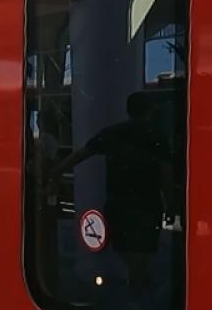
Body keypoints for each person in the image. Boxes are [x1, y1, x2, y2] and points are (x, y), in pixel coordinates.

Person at [48, 92, 176, 290]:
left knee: (126, 249)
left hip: (120, 201)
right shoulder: (157, 137)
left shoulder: (113, 133)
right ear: (150, 110)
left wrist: (56, 171)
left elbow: (82, 154)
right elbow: (166, 174)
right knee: (143, 253)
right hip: (147, 203)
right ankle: (138, 286)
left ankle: (134, 285)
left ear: (128, 110)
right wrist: (171, 204)